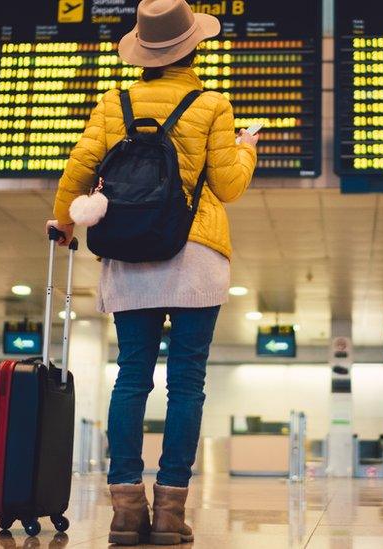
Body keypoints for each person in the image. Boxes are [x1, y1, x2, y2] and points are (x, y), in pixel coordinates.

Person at [45, 0, 258, 544]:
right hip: (196, 252)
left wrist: (66, 223)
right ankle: (169, 513)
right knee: (187, 381)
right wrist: (246, 150)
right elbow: (229, 186)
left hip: (130, 250)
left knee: (133, 376)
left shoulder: (113, 103)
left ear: (143, 51)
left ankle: (124, 513)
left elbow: (79, 166)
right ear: (194, 47)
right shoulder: (211, 103)